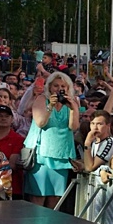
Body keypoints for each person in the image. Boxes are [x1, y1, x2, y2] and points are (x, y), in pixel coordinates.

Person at [25, 71, 79, 207]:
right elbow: (40, 123)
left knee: (55, 198)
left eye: (63, 86)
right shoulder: (41, 99)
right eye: (56, 85)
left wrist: (73, 108)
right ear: (49, 87)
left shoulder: (72, 102)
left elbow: (73, 127)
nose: (59, 89)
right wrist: (50, 106)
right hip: (41, 155)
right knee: (38, 196)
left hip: (62, 155)